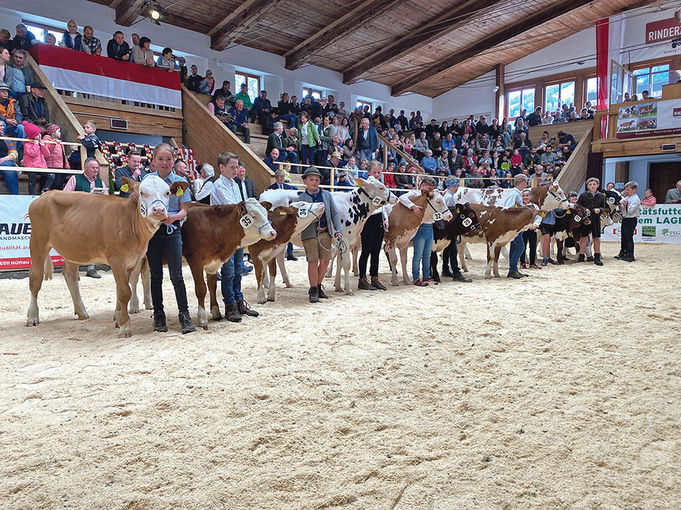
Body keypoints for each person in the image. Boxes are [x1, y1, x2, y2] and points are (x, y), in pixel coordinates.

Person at [144, 143, 196, 334]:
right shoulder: (147, 180)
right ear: (154, 161)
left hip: (172, 230)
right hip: (152, 232)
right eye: (161, 159)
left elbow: (184, 210)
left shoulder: (180, 182)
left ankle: (185, 315)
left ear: (174, 161)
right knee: (155, 275)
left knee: (177, 274)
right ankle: (159, 315)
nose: (165, 163)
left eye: (168, 159)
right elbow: (139, 200)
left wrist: (173, 217)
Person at [210, 151, 259, 321]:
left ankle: (239, 301)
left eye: (237, 166)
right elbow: (235, 207)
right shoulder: (218, 185)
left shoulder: (235, 184)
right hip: (224, 234)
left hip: (236, 232)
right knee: (229, 270)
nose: (236, 169)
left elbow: (241, 207)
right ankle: (229, 306)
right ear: (221, 167)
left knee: (238, 268)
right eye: (232, 167)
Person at [297, 166, 342, 303]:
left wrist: (338, 230)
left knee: (325, 261)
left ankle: (317, 285)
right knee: (312, 261)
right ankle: (313, 289)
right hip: (310, 233)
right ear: (305, 181)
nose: (314, 182)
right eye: (311, 179)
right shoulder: (301, 198)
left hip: (325, 232)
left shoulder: (326, 195)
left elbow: (334, 212)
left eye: (317, 180)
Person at [63, 157, 108, 278]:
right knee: (74, 243)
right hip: (77, 218)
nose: (96, 170)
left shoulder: (100, 182)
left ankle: (91, 269)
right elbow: (65, 196)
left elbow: (107, 199)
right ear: (85, 167)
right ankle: (73, 270)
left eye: (97, 168)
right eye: (93, 168)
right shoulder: (75, 179)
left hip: (95, 219)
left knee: (93, 243)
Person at [357, 160, 390, 291]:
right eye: (374, 172)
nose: (376, 175)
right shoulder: (366, 186)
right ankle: (362, 278)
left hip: (379, 217)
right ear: (368, 172)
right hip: (368, 218)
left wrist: (385, 217)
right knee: (366, 250)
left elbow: (383, 204)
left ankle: (374, 277)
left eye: (379, 172)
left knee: (376, 250)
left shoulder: (380, 186)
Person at [399, 176, 438, 286]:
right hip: (420, 227)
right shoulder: (415, 193)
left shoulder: (432, 196)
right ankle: (416, 277)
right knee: (418, 254)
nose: (431, 192)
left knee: (427, 254)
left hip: (430, 226)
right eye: (429, 189)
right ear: (423, 186)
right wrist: (413, 206)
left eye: (432, 189)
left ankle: (426, 276)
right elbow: (402, 198)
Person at [504, 174, 536, 279]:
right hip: (514, 224)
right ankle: (513, 269)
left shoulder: (515, 193)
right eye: (525, 183)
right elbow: (508, 208)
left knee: (515, 245)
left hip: (516, 224)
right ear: (523, 183)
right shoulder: (515, 194)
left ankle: (513, 269)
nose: (525, 186)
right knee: (521, 246)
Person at [441, 178, 471, 282]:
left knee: (447, 249)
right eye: (454, 186)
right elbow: (451, 212)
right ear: (449, 186)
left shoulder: (449, 195)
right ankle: (456, 272)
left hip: (447, 225)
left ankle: (445, 268)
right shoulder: (449, 197)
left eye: (457, 186)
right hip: (450, 226)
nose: (456, 188)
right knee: (453, 249)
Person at [577, 177, 606, 265]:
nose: (592, 186)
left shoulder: (601, 196)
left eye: (594, 184)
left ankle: (597, 257)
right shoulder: (583, 195)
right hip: (585, 219)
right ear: (587, 186)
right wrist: (585, 209)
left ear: (598, 185)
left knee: (596, 237)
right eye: (590, 184)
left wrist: (599, 210)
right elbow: (578, 205)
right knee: (584, 237)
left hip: (596, 219)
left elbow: (604, 207)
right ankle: (581, 256)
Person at [21, 121, 51, 195]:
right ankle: (31, 196)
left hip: (41, 166)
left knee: (51, 176)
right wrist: (36, 144)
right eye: (37, 135)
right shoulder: (27, 144)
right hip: (31, 166)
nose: (40, 136)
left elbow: (47, 154)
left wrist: (43, 145)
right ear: (32, 136)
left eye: (40, 134)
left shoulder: (39, 142)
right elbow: (33, 154)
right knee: (32, 182)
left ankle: (44, 190)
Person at [616, 181, 640, 263]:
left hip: (631, 219)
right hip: (625, 219)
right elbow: (621, 206)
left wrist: (625, 205)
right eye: (626, 189)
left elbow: (630, 211)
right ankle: (623, 253)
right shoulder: (628, 198)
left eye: (628, 190)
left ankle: (630, 255)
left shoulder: (636, 199)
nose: (627, 191)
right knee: (623, 237)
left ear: (634, 190)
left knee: (628, 237)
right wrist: (620, 206)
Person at [519, 189, 543, 269]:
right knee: (522, 246)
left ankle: (532, 263)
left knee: (533, 246)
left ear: (530, 197)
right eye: (523, 196)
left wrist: (535, 224)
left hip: (532, 228)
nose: (525, 197)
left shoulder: (535, 206)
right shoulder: (519, 206)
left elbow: (539, 217)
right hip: (522, 229)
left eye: (527, 195)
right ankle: (522, 263)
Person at [43, 123, 70, 190]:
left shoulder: (60, 143)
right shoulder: (47, 139)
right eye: (58, 131)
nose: (60, 133)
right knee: (53, 184)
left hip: (60, 167)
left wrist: (66, 165)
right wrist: (54, 143)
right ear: (53, 132)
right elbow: (48, 150)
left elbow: (63, 155)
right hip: (51, 167)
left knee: (59, 184)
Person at [0, 121, 19, 194]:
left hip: (4, 161)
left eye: (3, 126)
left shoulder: (6, 139)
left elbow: (14, 153)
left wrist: (5, 159)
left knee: (10, 170)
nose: (3, 127)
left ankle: (15, 196)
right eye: (1, 126)